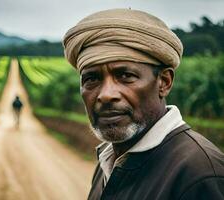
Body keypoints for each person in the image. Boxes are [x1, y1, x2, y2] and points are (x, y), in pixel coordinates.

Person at [63, 9, 224, 200]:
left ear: (164, 82)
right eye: (91, 78)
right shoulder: (108, 161)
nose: (106, 95)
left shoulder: (200, 176)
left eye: (125, 76)